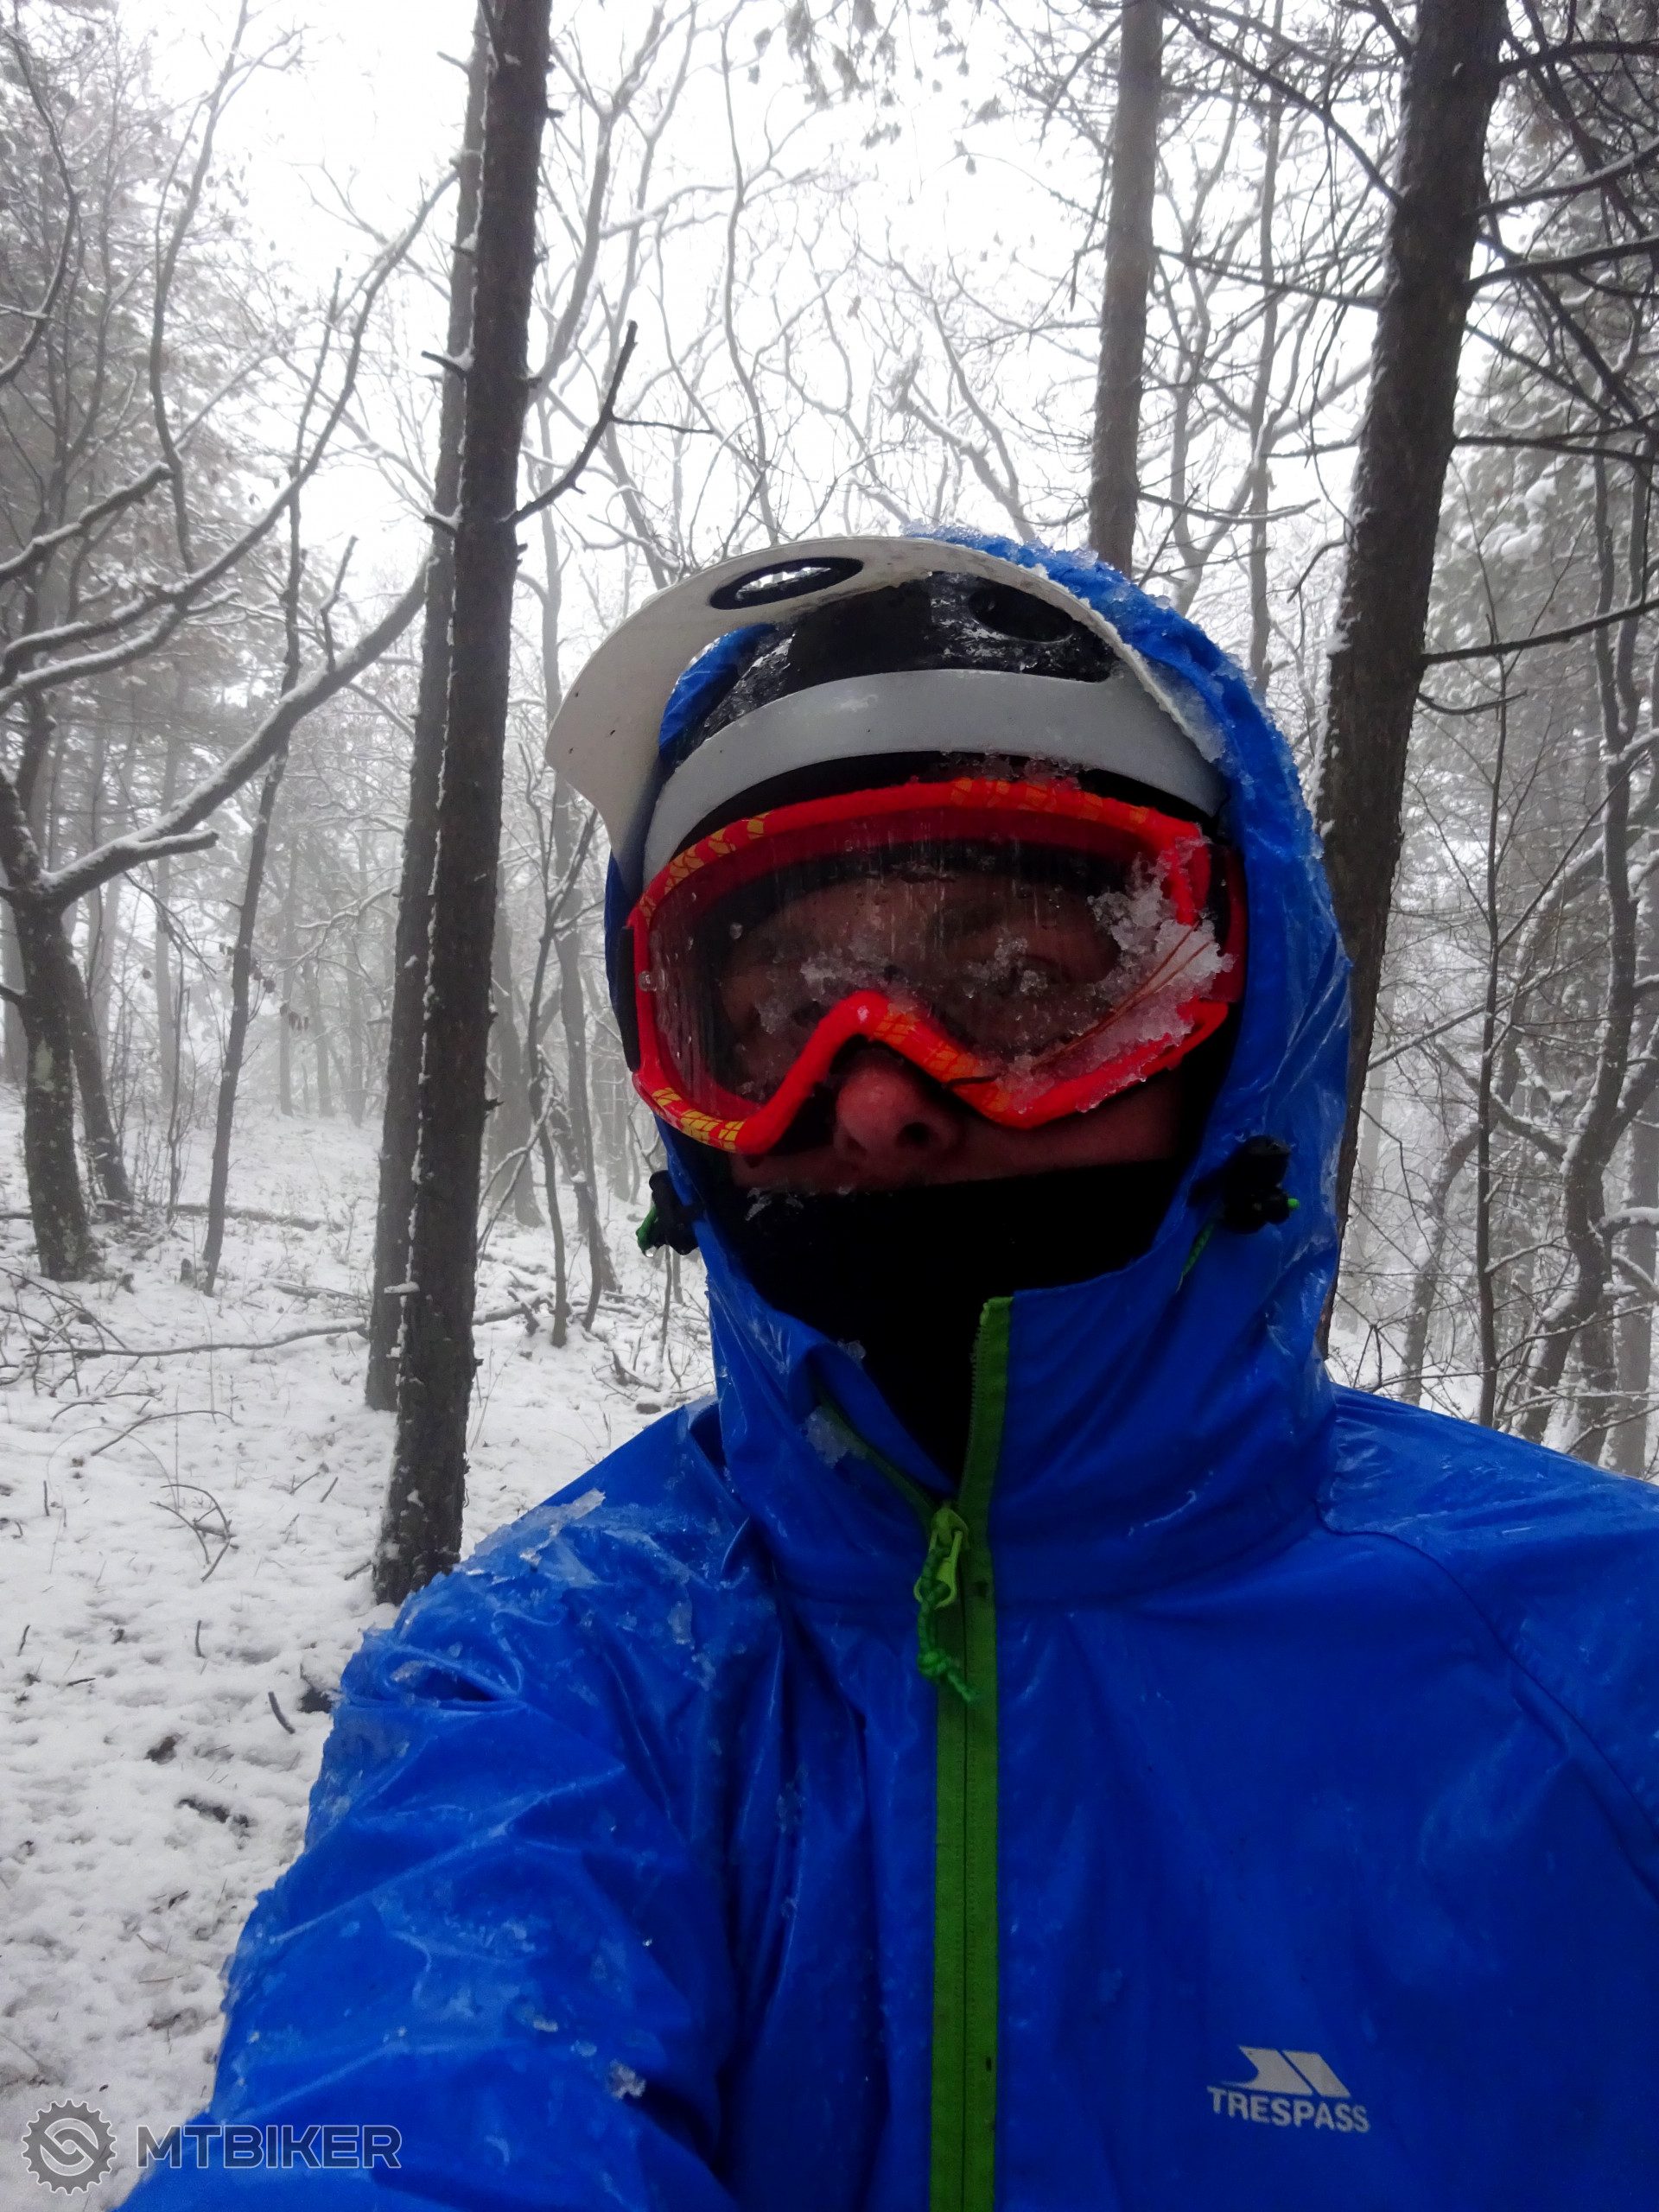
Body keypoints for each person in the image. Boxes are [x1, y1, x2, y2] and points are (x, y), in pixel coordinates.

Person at [133, 532, 1659, 2209]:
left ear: (1235, 1031)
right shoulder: (548, 1673)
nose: (871, 1097)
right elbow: (409, 2093)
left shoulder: (1606, 1663)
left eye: (1017, 984)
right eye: (777, 1013)